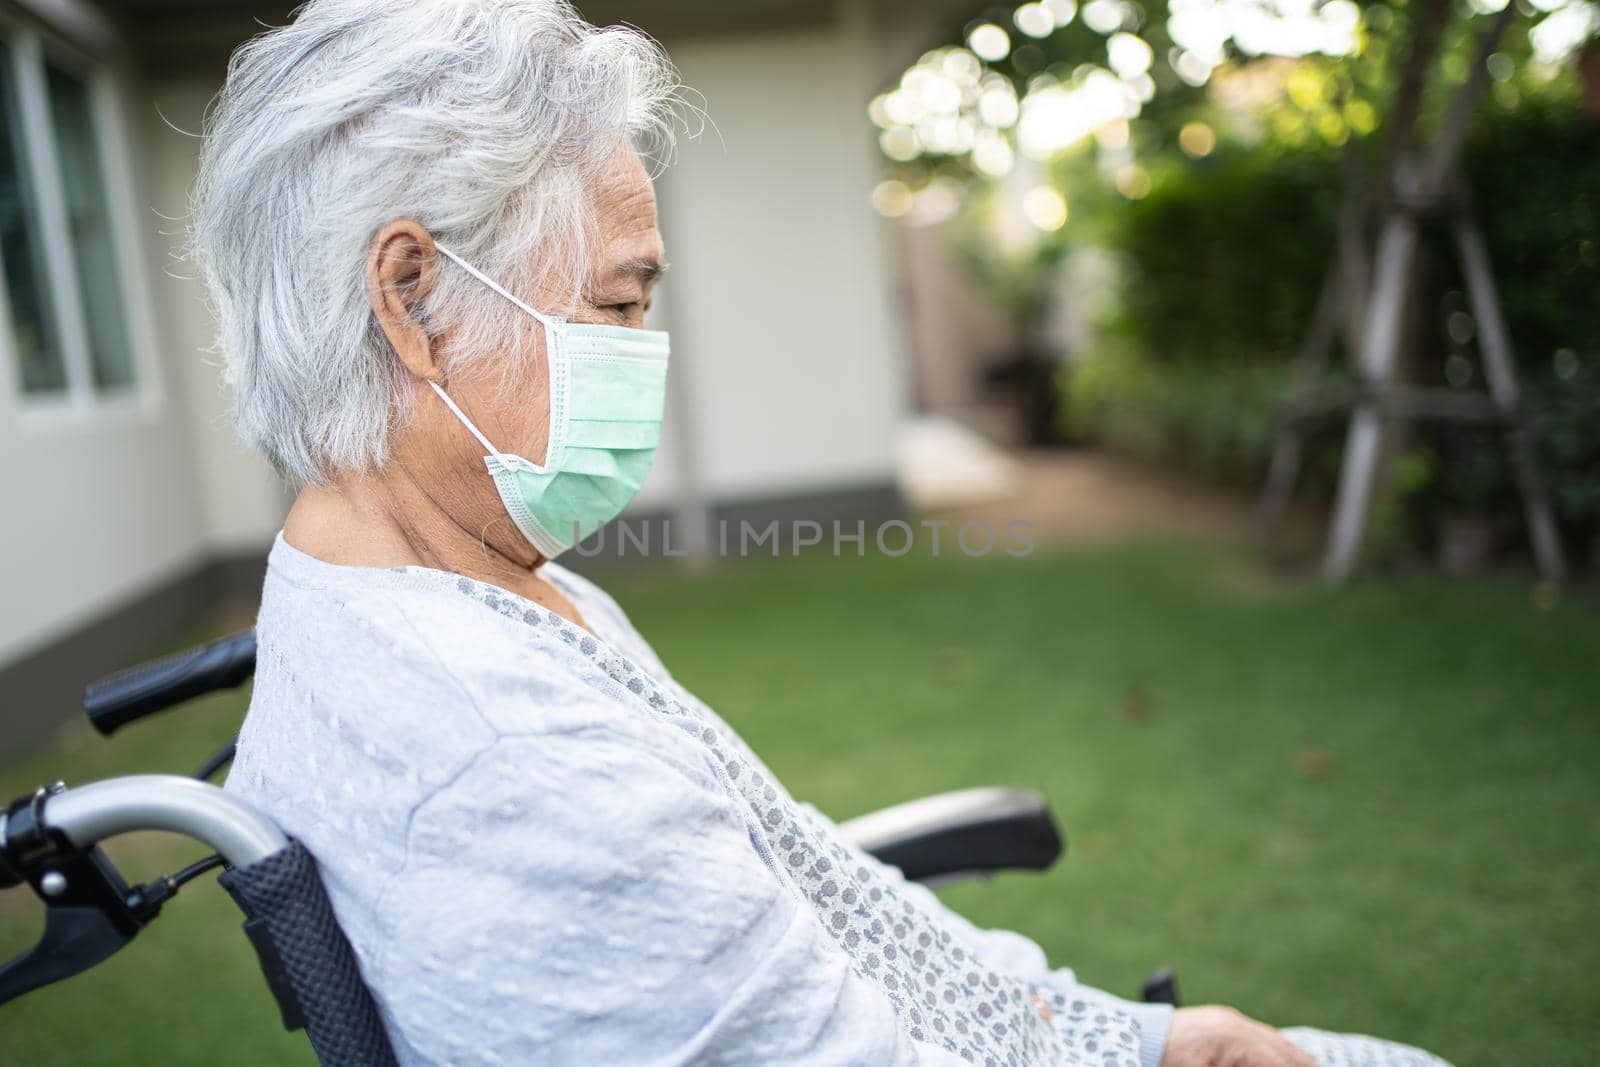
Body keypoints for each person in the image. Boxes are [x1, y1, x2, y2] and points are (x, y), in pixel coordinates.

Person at [198, 2, 1452, 1064]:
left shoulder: (419, 578)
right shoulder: (505, 761)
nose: (643, 350)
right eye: (617, 301)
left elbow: (819, 914)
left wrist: (1133, 1035)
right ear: (412, 298)